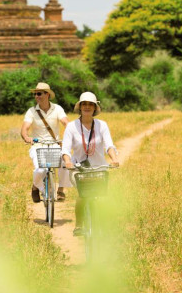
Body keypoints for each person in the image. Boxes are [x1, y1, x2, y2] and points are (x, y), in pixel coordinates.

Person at [61, 92, 119, 236]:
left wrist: (114, 159)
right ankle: (79, 225)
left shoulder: (102, 125)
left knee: (103, 196)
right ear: (80, 107)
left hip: (99, 167)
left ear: (95, 108)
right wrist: (68, 162)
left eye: (90, 105)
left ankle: (103, 223)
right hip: (78, 168)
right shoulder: (71, 127)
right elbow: (66, 149)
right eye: (84, 104)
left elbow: (109, 145)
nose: (87, 107)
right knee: (84, 194)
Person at [21, 82, 71, 203]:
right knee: (40, 170)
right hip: (38, 145)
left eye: (39, 94)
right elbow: (24, 129)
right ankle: (35, 187)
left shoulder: (57, 109)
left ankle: (60, 190)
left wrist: (70, 135)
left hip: (55, 144)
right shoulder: (31, 111)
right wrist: (27, 138)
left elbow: (66, 123)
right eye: (35, 94)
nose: (36, 96)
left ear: (47, 94)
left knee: (67, 162)